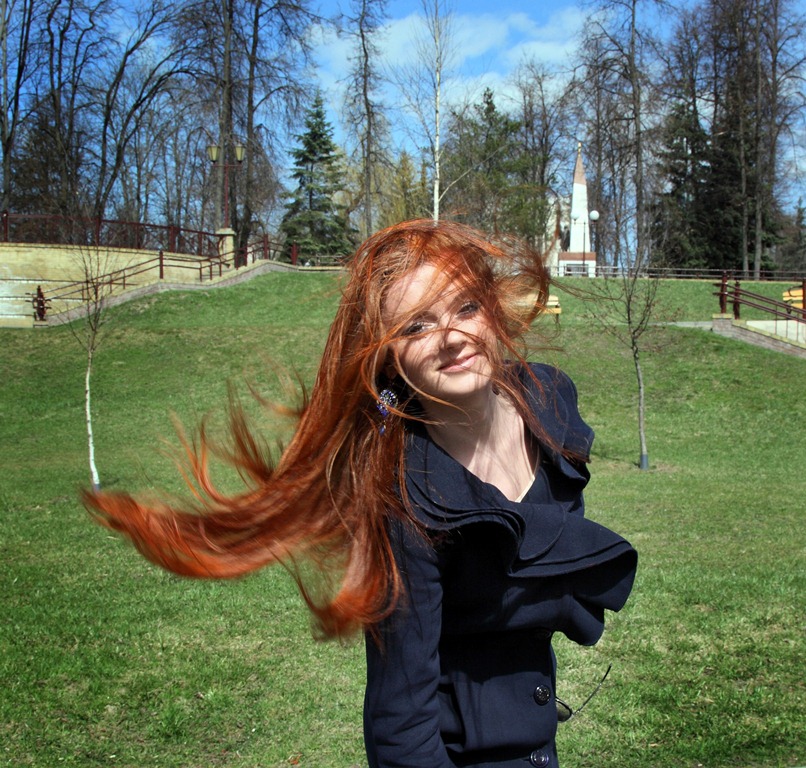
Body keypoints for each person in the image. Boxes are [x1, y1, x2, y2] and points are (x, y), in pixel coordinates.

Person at [84, 218, 637, 768]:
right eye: (416, 325)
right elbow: (402, 728)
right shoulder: (407, 501)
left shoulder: (548, 402)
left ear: (492, 308)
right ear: (389, 356)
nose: (452, 337)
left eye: (466, 306)